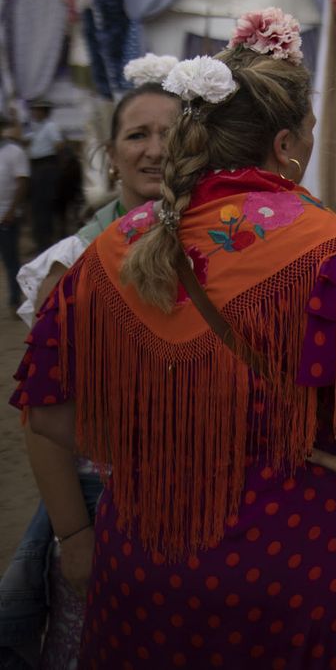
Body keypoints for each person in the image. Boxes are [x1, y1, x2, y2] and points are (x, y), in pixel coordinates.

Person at [10, 9, 336, 667]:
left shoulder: (112, 249)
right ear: (284, 145)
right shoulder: (335, 249)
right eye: (311, 132)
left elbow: (47, 408)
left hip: (152, 563)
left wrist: (148, 449)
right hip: (313, 562)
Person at [1, 65, 179, 669]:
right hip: (102, 505)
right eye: (137, 135)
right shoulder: (73, 261)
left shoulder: (222, 247)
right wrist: (74, 536)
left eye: (171, 134)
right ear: (110, 153)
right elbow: (42, 413)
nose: (155, 150)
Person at [23, 101, 64, 251]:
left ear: (44, 112)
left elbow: (59, 145)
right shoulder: (34, 128)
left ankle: (45, 241)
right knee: (36, 206)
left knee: (44, 205)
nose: (34, 113)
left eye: (37, 110)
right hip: (35, 166)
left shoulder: (50, 126)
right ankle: (39, 240)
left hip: (46, 165)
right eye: (34, 110)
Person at [0, 125, 27, 311]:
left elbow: (22, 182)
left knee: (10, 261)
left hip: (6, 216)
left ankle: (15, 300)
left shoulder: (14, 152)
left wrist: (11, 210)